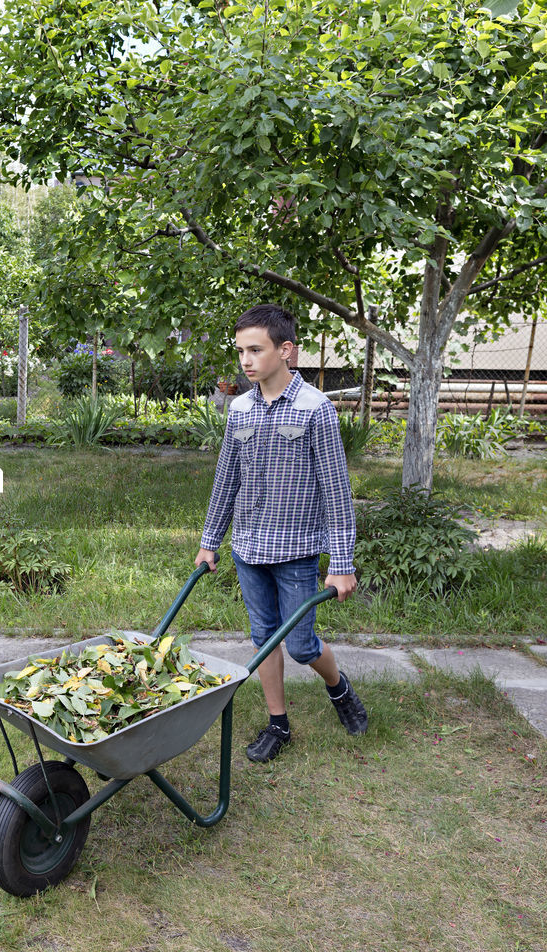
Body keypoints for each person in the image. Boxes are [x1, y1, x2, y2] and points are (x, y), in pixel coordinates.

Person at [195, 303, 366, 763]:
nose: (245, 361)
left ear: (285, 350)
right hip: (249, 548)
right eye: (240, 351)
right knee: (264, 636)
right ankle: (278, 724)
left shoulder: (316, 410)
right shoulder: (240, 410)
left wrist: (342, 565)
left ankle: (338, 686)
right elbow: (225, 479)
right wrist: (211, 540)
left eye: (256, 350)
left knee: (302, 644)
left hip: (296, 551)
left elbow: (336, 491)